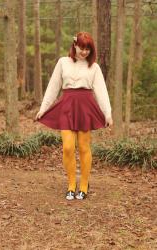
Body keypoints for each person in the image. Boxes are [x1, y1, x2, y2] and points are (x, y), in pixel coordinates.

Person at [35, 31, 113, 200]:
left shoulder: (94, 67)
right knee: (68, 147)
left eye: (88, 49)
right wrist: (44, 108)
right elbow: (53, 86)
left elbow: (101, 91)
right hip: (67, 106)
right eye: (82, 47)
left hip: (86, 107)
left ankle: (83, 185)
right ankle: (71, 184)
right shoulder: (63, 62)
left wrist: (107, 113)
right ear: (75, 45)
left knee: (84, 147)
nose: (84, 52)